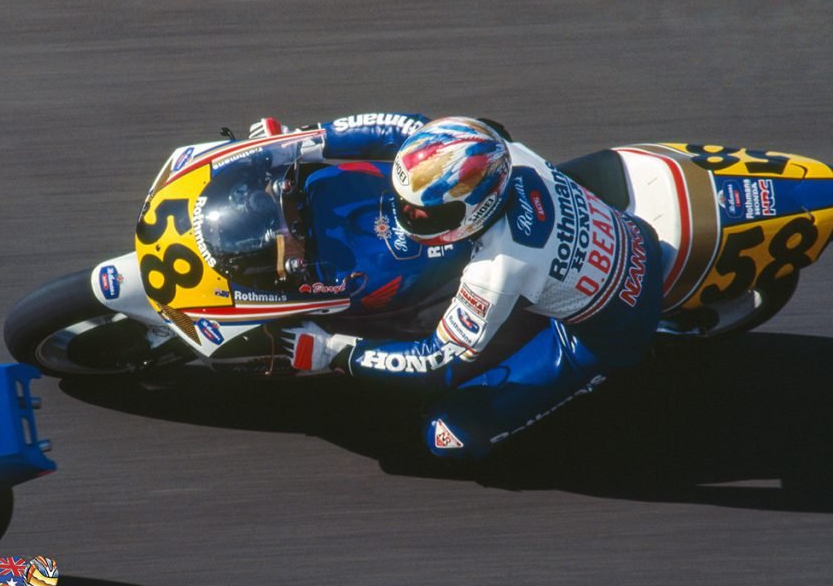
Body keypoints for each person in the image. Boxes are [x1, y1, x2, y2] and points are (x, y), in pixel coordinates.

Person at [277, 113, 663, 459]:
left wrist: (335, 352)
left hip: (611, 325)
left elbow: (433, 358)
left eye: (422, 214)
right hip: (611, 229)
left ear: (478, 209)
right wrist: (301, 141)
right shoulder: (488, 149)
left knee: (451, 435)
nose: (405, 214)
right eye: (404, 202)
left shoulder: (499, 268)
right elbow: (400, 127)